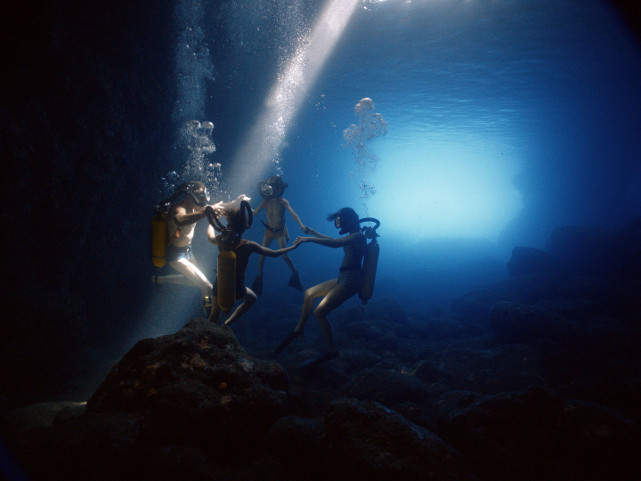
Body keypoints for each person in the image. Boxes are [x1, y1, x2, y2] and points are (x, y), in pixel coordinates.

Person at [275, 207, 367, 365]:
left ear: (347, 220)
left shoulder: (358, 236)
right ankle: (299, 330)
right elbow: (334, 241)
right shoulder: (353, 235)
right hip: (344, 276)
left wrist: (308, 239)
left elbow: (335, 244)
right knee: (309, 294)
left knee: (320, 312)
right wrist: (314, 233)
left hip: (352, 280)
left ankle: (332, 351)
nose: (339, 225)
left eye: (340, 221)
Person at [206, 198, 301, 325]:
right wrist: (294, 247)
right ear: (245, 226)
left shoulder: (222, 240)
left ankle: (203, 335)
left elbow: (210, 238)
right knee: (252, 299)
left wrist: (210, 223)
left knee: (213, 316)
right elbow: (273, 254)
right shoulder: (249, 246)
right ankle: (226, 324)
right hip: (237, 287)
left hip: (220, 284)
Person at [152, 181, 220, 315]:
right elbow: (180, 219)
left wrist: (237, 203)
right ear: (190, 195)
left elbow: (211, 209)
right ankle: (210, 316)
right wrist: (205, 212)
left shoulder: (194, 208)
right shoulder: (179, 208)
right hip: (176, 255)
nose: (202, 198)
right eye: (200, 194)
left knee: (195, 282)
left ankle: (159, 280)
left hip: (188, 251)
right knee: (207, 286)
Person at [251, 175, 309, 295]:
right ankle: (259, 277)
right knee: (261, 256)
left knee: (284, 256)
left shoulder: (282, 201)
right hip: (268, 232)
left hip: (279, 232)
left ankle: (294, 272)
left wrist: (301, 225)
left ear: (278, 189)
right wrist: (244, 205)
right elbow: (256, 212)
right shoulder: (266, 201)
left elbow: (293, 214)